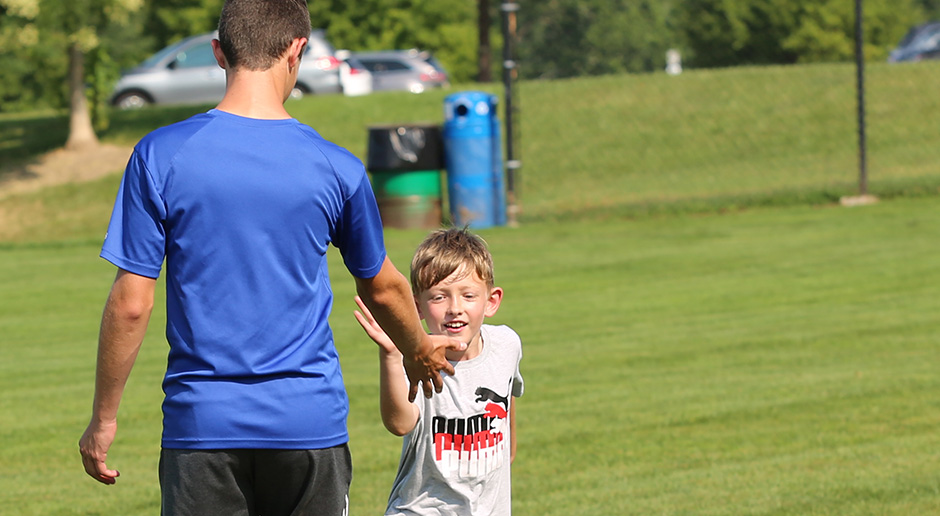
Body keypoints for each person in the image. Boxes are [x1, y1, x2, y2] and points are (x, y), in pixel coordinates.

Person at [77, 1, 462, 514]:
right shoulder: (336, 167)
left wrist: (104, 418)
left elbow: (131, 302)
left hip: (202, 428)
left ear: (218, 53)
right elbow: (383, 285)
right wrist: (417, 349)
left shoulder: (160, 154)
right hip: (307, 426)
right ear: (296, 50)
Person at [354, 227, 524, 516]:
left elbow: (507, 402)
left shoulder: (507, 344)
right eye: (439, 298)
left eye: (468, 295)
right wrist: (392, 354)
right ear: (416, 306)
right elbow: (400, 424)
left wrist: (505, 451)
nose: (454, 308)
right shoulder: (418, 360)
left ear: (491, 301)